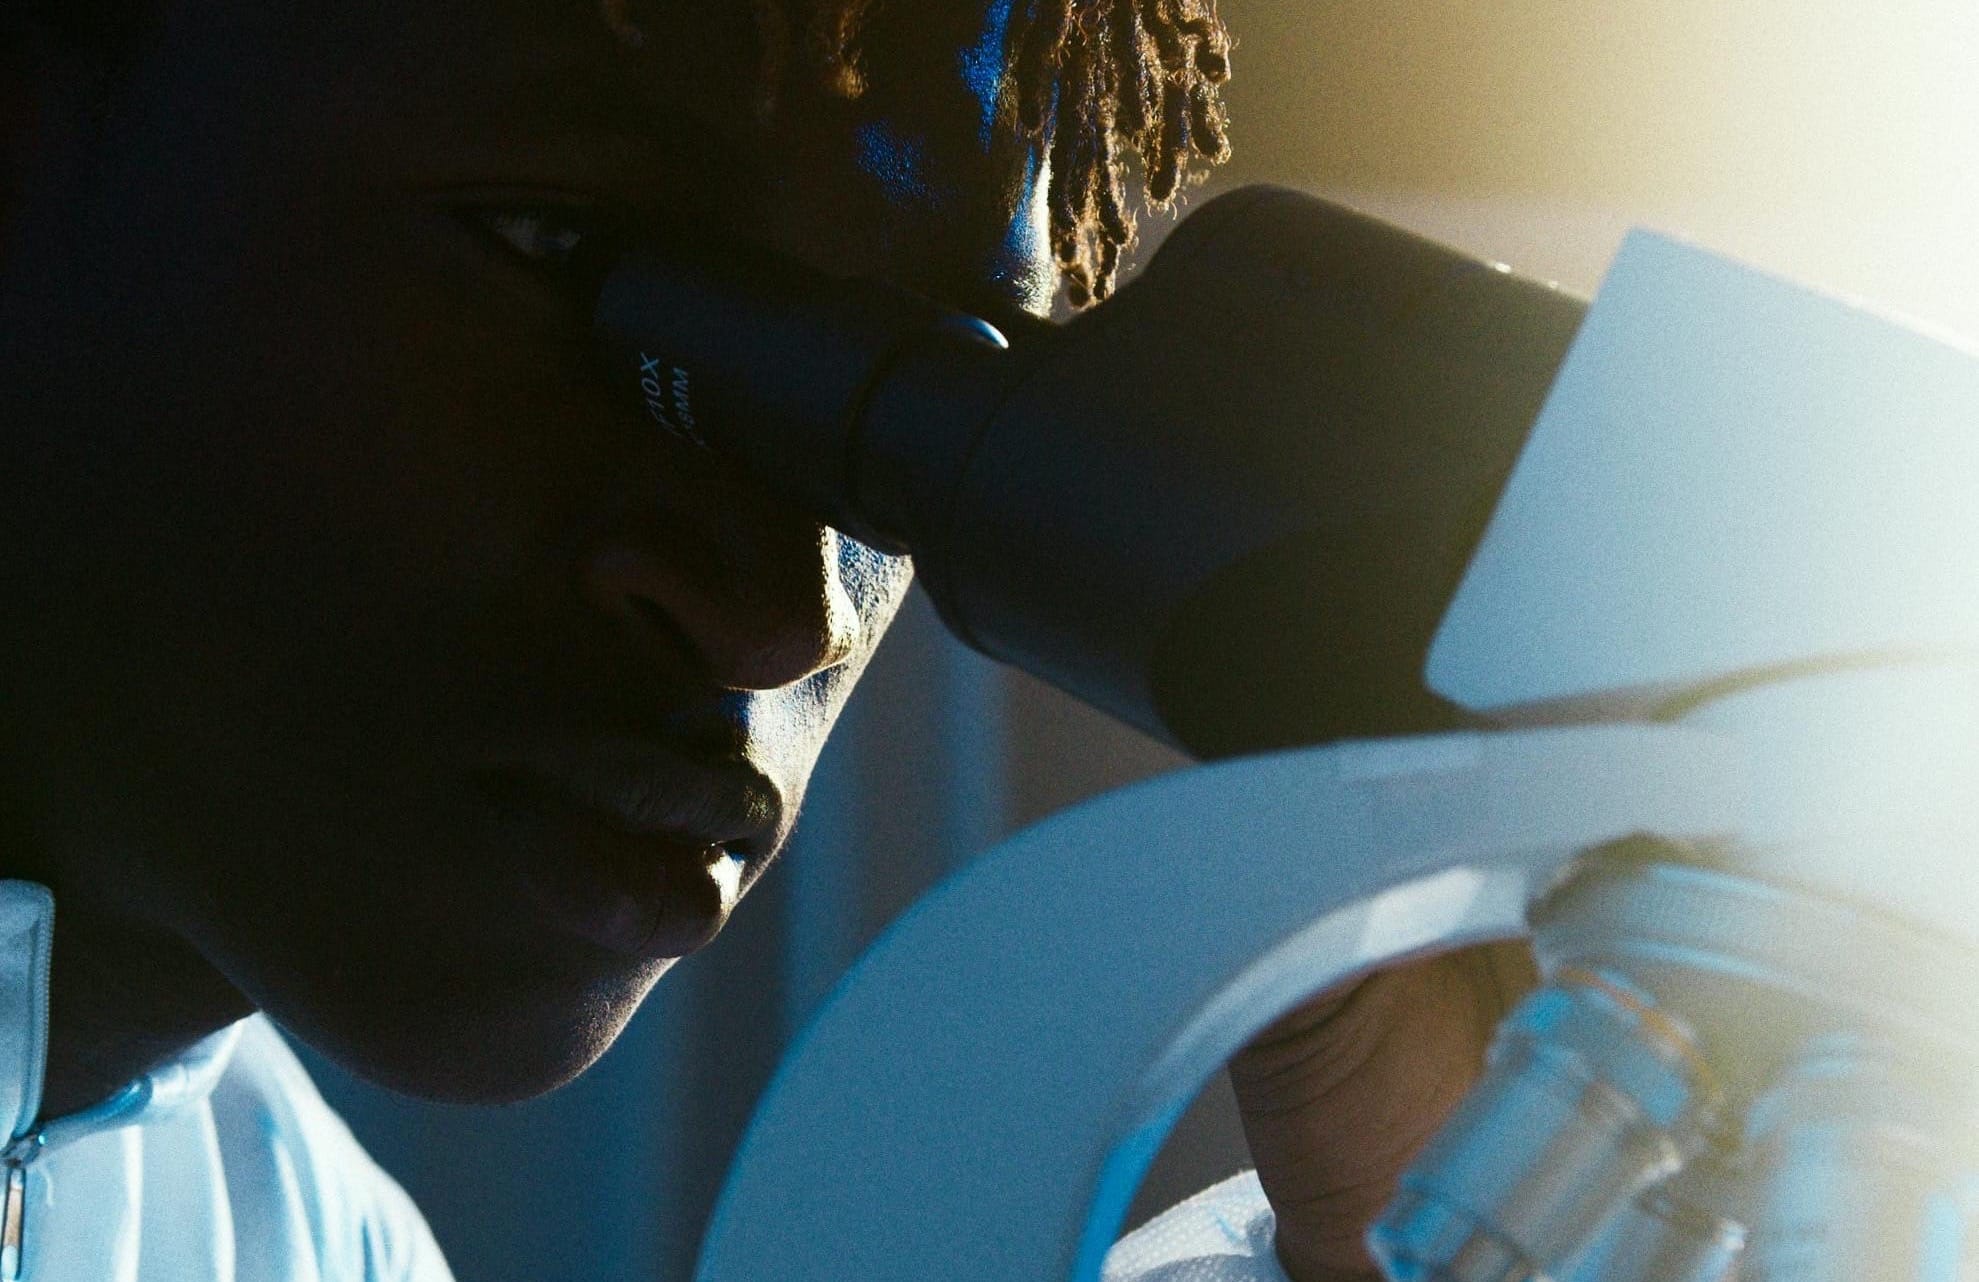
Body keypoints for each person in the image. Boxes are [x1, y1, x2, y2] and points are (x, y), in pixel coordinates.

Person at [0, 0, 1531, 1276]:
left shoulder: (295, 1242)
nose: (774, 615)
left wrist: (1414, 1238)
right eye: (555, 240)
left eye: (926, 402)